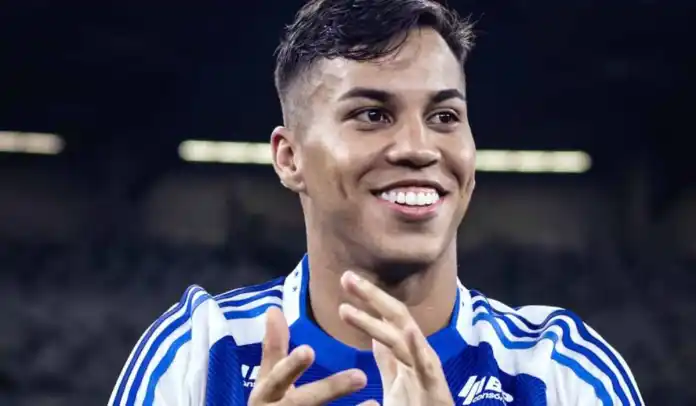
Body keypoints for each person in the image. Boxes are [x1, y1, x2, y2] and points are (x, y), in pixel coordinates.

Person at [109, 0, 644, 405]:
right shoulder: (200, 354)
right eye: (372, 115)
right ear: (290, 158)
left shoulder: (558, 370)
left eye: (444, 117)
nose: (418, 148)